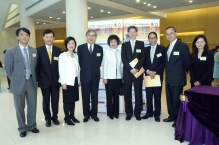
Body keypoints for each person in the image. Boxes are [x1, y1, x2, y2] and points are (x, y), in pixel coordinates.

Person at [4, 27, 39, 137]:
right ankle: (22, 127)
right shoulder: (10, 51)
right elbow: (8, 70)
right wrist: (15, 79)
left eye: (27, 35)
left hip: (31, 82)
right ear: (17, 37)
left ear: (29, 37)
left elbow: (36, 67)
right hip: (18, 83)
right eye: (22, 34)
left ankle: (32, 125)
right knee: (19, 107)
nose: (24, 37)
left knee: (32, 106)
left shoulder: (34, 50)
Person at [164, 26, 191, 127]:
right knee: (169, 98)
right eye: (167, 34)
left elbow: (187, 62)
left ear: (176, 33)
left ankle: (178, 119)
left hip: (178, 78)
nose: (169, 35)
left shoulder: (182, 46)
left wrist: (182, 72)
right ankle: (171, 116)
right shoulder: (166, 48)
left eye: (171, 33)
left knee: (176, 99)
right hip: (168, 79)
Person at [36, 29, 61, 127]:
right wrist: (38, 79)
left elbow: (60, 66)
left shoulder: (58, 50)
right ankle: (47, 118)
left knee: (55, 100)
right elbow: (36, 66)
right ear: (43, 38)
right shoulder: (38, 50)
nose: (49, 39)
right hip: (44, 81)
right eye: (47, 37)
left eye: (51, 37)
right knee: (46, 101)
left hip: (55, 81)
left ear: (54, 38)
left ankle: (55, 117)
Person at [78, 30, 103, 122]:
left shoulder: (99, 48)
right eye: (89, 35)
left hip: (95, 76)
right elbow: (79, 62)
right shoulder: (80, 48)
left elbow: (99, 61)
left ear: (95, 37)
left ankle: (94, 114)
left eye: (93, 35)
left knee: (94, 96)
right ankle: (86, 114)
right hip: (85, 76)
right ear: (86, 36)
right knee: (85, 97)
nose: (91, 37)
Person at [121, 25, 145, 121]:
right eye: (130, 32)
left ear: (136, 33)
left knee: (138, 93)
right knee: (127, 94)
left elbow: (143, 57)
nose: (132, 33)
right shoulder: (124, 45)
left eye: (134, 32)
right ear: (128, 33)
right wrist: (131, 69)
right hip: (127, 72)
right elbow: (124, 58)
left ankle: (137, 112)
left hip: (138, 72)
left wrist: (136, 68)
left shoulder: (141, 44)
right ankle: (129, 113)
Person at [141, 32, 166, 122]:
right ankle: (149, 113)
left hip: (157, 76)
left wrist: (155, 72)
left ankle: (157, 114)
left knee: (157, 96)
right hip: (148, 76)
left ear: (157, 38)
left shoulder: (162, 49)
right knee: (148, 95)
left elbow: (164, 62)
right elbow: (143, 62)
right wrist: (148, 71)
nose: (152, 40)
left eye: (154, 38)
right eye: (150, 38)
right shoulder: (145, 49)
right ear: (148, 39)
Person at [59, 36, 80, 125]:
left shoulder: (76, 55)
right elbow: (61, 70)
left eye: (73, 43)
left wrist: (78, 81)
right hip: (67, 82)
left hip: (75, 80)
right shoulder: (63, 55)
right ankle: (67, 118)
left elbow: (78, 69)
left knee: (73, 100)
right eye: (69, 43)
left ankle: (72, 116)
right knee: (67, 101)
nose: (71, 45)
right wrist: (63, 83)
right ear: (66, 45)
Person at [102, 34, 123, 120]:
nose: (113, 43)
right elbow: (104, 65)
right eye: (111, 42)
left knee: (116, 96)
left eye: (115, 41)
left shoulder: (119, 52)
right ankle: (110, 113)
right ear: (109, 43)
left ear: (117, 42)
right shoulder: (106, 52)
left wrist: (122, 77)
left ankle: (116, 113)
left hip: (118, 77)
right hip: (109, 78)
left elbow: (121, 65)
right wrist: (104, 77)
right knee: (109, 96)